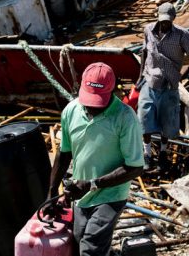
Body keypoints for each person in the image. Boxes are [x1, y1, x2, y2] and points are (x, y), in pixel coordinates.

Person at [44, 62, 144, 256]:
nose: (92, 108)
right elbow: (64, 154)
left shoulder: (125, 117)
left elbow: (135, 167)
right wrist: (50, 194)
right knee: (78, 239)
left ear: (113, 91)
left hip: (111, 193)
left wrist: (92, 184)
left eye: (98, 101)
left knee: (90, 248)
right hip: (82, 195)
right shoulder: (70, 111)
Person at [136, 2, 189, 171]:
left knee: (168, 123)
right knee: (144, 120)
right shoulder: (149, 30)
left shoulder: (182, 35)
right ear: (158, 17)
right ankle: (147, 154)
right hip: (150, 82)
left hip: (170, 85)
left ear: (173, 19)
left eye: (168, 21)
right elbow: (144, 51)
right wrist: (140, 77)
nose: (165, 24)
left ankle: (163, 153)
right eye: (162, 20)